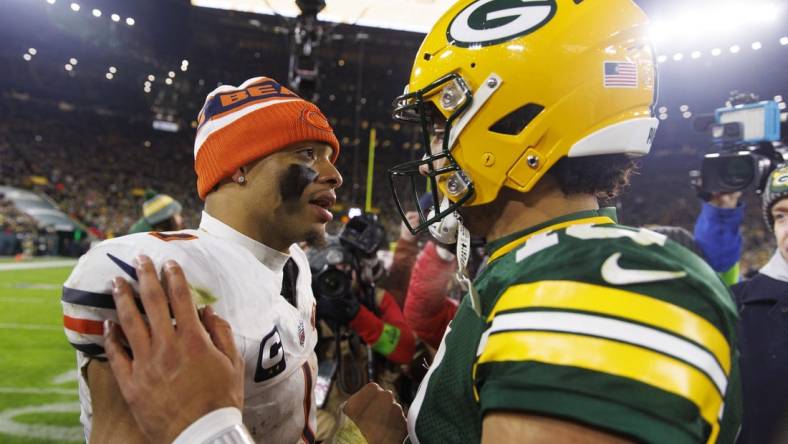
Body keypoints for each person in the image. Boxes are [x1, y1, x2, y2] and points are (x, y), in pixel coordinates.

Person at [383, 0, 741, 442]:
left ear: (514, 122)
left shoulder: (599, 284)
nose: (427, 162)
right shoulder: (533, 265)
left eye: (442, 127)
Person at [61, 75, 343, 443]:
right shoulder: (173, 274)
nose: (334, 175)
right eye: (307, 154)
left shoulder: (294, 264)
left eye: (328, 158)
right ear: (238, 166)